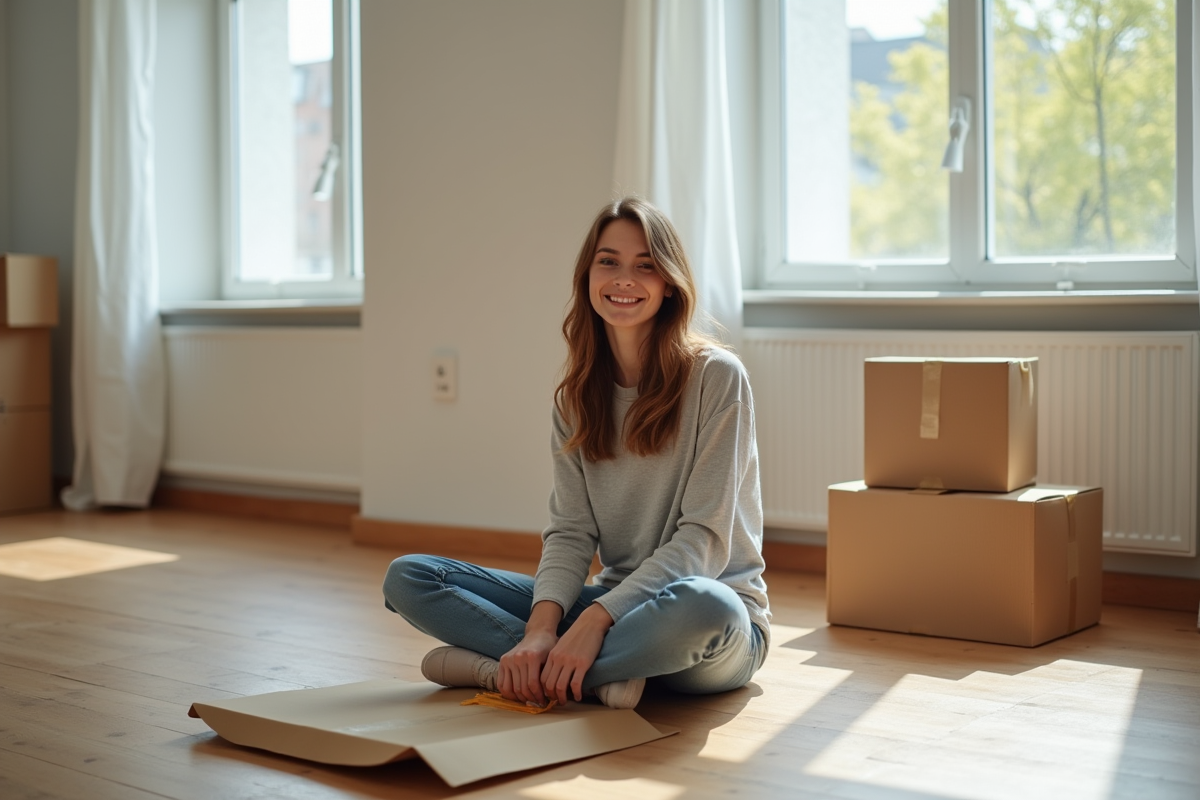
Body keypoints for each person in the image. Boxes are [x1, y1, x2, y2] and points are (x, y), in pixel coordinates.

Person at [382, 197, 770, 710]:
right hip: (617, 607)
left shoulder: (718, 377)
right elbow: (571, 532)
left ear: (670, 283)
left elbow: (704, 540)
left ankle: (505, 671)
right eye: (608, 261)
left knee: (707, 605)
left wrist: (593, 620)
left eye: (645, 266)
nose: (624, 279)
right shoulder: (577, 396)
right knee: (410, 577)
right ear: (587, 275)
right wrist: (543, 628)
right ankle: (594, 674)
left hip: (701, 624)